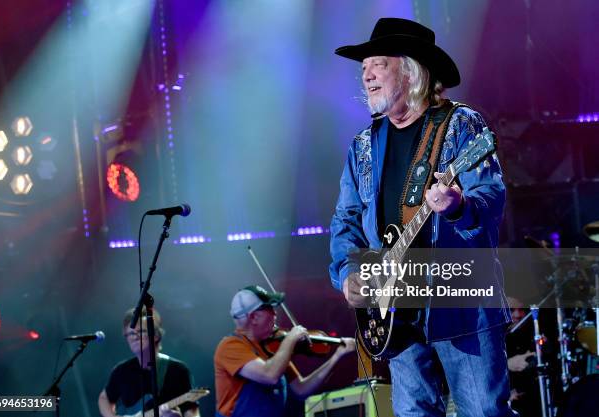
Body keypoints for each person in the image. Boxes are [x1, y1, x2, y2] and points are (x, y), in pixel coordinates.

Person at [329, 18, 517, 416]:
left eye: (377, 63)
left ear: (411, 70)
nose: (367, 74)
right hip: (395, 312)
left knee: (484, 411)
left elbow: (491, 196)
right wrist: (347, 271)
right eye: (363, 68)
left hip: (461, 306)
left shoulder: (461, 124)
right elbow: (345, 220)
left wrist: (458, 207)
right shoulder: (362, 147)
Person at [214, 285, 356, 417]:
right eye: (269, 308)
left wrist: (336, 357)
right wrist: (290, 340)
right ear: (253, 317)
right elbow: (269, 375)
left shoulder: (272, 349)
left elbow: (301, 389)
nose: (275, 314)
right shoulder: (230, 346)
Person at [98, 307, 200, 417]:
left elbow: (192, 412)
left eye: (141, 331)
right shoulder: (121, 371)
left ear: (156, 335)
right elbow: (104, 398)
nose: (135, 337)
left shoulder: (178, 371)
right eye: (130, 333)